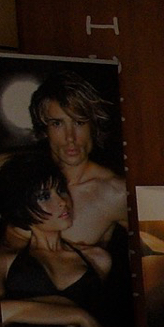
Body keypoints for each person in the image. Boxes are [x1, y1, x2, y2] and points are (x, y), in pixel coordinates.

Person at [0, 152, 112, 327]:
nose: (62, 201)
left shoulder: (98, 259)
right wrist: (77, 315)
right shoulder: (3, 259)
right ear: (21, 207)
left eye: (61, 190)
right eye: (45, 196)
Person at [28, 70, 128, 248]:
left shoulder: (114, 192)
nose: (70, 137)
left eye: (79, 122)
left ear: (93, 126)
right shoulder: (17, 175)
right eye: (57, 123)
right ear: (44, 129)